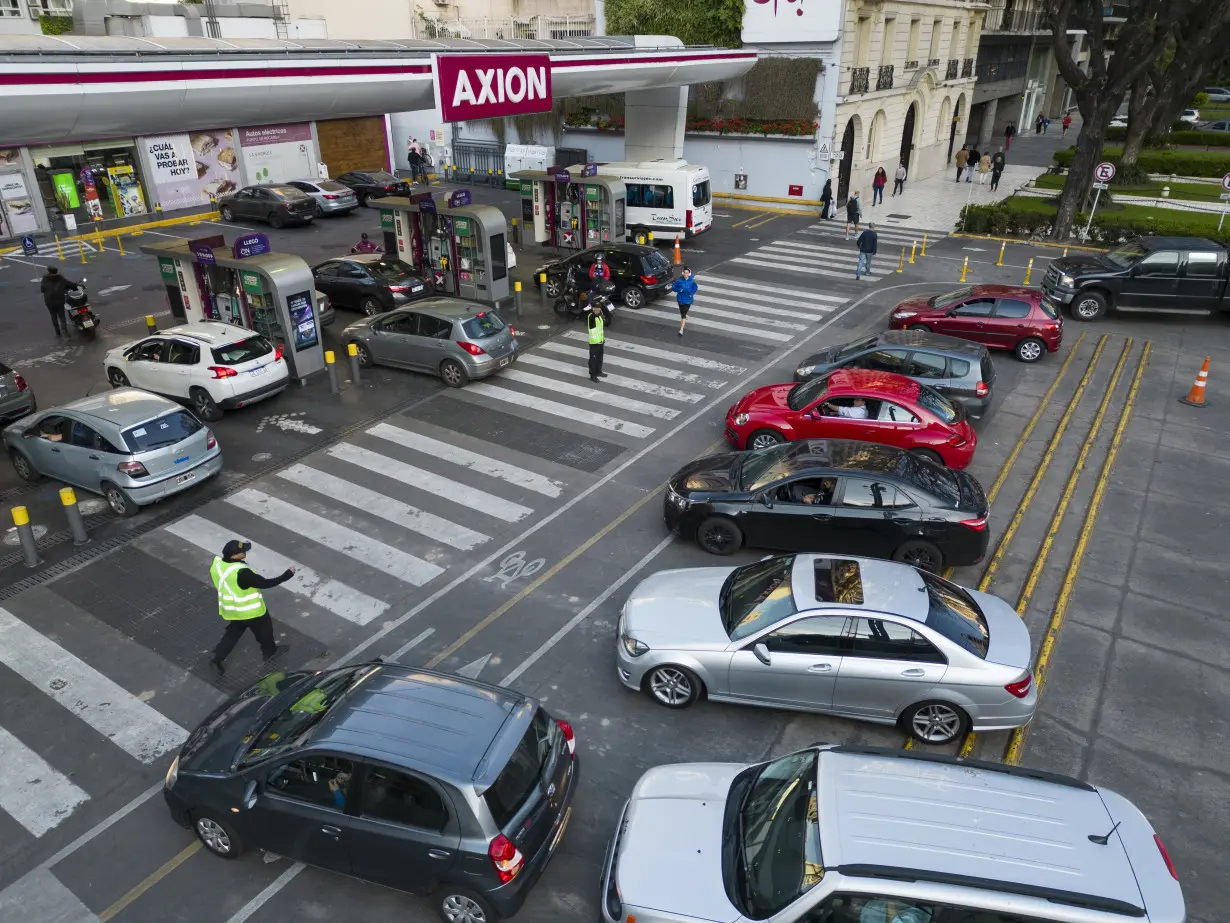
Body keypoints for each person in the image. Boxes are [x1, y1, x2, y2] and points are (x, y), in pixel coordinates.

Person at [209, 539, 293, 674]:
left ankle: (217, 657)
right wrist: (287, 575)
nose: (245, 552)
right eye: (242, 551)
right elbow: (265, 583)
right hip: (252, 612)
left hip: (234, 611)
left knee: (232, 635)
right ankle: (270, 653)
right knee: (265, 633)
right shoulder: (242, 573)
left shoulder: (217, 565)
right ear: (234, 556)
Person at [40, 266, 77, 338]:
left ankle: (57, 332)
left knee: (53, 315)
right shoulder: (60, 278)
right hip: (59, 300)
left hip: (49, 300)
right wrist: (76, 286)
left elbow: (42, 289)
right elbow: (70, 285)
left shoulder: (45, 279)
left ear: (49, 271)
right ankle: (64, 329)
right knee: (61, 315)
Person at [671, 266, 698, 336]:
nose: (686, 274)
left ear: (689, 274)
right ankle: (685, 315)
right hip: (680, 299)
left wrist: (691, 294)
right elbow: (673, 287)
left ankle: (681, 329)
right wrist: (679, 290)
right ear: (683, 273)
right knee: (682, 311)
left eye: (687, 273)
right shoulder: (679, 281)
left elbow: (695, 288)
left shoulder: (692, 281)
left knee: (683, 315)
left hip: (688, 300)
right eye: (685, 273)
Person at [587, 301, 606, 382]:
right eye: (596, 308)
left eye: (599, 308)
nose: (598, 310)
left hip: (600, 341)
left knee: (600, 358)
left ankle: (598, 371)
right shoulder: (592, 317)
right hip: (594, 342)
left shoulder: (599, 316)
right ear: (592, 309)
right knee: (593, 360)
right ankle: (593, 375)